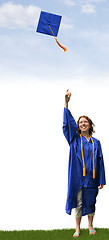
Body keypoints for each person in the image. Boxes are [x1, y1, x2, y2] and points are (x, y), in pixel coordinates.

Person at [63, 89, 106, 237]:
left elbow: (101, 162)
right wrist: (66, 103)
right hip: (78, 178)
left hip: (92, 178)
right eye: (80, 122)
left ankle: (90, 226)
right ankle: (77, 228)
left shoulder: (96, 142)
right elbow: (67, 125)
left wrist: (101, 179)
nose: (82, 124)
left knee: (91, 202)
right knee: (79, 203)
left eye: (85, 121)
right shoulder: (74, 139)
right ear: (78, 125)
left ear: (89, 124)